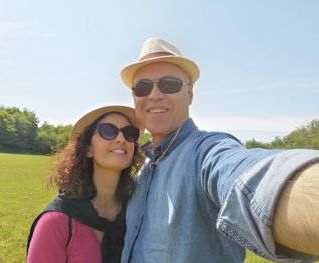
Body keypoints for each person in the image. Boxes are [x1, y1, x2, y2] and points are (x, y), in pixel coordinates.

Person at [119, 37, 319, 262]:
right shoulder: (141, 174)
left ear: (190, 93)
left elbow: (249, 177)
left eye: (169, 84)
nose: (154, 95)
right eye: (142, 88)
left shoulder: (205, 153)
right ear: (134, 97)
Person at [26, 105, 144, 263]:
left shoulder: (137, 213)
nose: (121, 139)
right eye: (108, 131)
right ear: (88, 148)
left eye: (129, 133)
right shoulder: (55, 222)